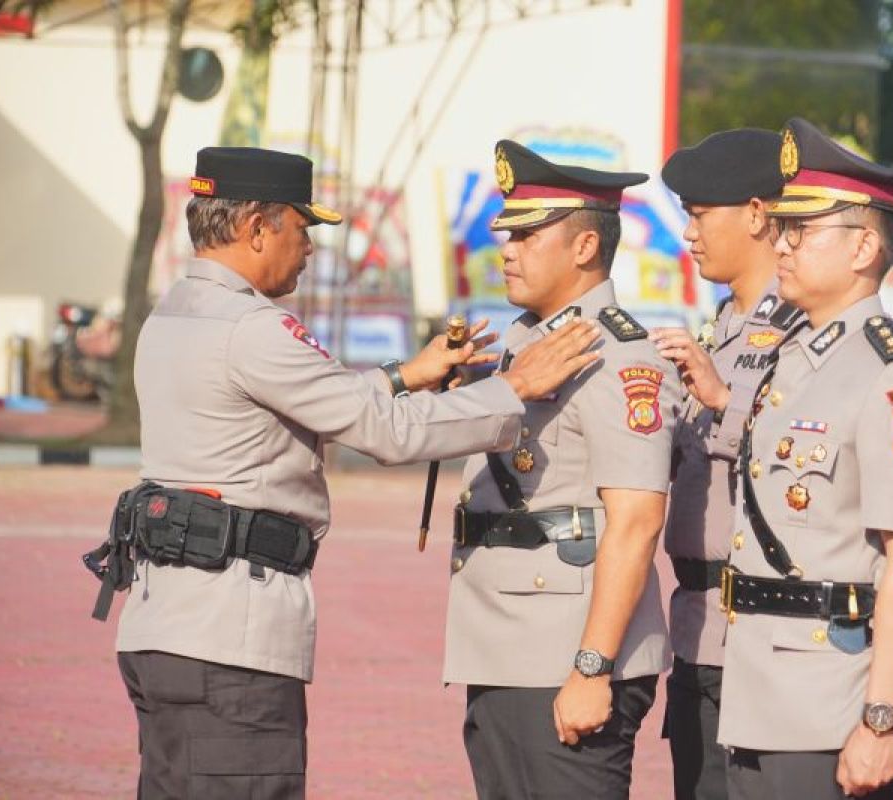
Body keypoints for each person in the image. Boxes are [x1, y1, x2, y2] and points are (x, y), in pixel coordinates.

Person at [92, 146, 600, 798]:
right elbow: (387, 433)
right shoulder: (254, 329)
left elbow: (298, 400)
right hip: (228, 641)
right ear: (257, 228)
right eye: (301, 232)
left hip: (168, 625)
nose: (308, 251)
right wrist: (513, 389)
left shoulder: (177, 313)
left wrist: (403, 376)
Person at [710, 117, 893, 800]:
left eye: (804, 231)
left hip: (834, 704)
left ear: (863, 250)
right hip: (760, 693)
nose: (782, 246)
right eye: (784, 229)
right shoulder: (789, 359)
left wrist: (880, 722)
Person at [442, 140, 680, 799]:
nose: (508, 248)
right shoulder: (524, 340)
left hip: (566, 657)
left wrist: (592, 667)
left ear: (583, 247)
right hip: (505, 647)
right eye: (506, 234)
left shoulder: (617, 355)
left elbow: (636, 522)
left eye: (526, 233)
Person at [648, 128, 800, 800]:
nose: (689, 233)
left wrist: (720, 401)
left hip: (757, 637)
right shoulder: (721, 323)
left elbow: (802, 465)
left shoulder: (800, 331)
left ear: (758, 214)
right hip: (696, 630)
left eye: (701, 214)